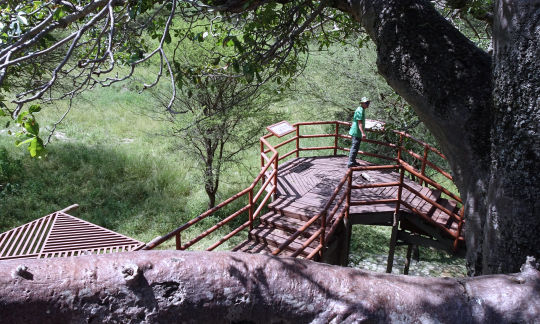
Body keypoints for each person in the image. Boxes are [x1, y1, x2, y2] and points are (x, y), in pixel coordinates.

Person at [348, 97, 370, 167]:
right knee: (354, 147)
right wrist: (363, 133)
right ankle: (351, 163)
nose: (368, 104)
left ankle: (353, 161)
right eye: (366, 103)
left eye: (368, 103)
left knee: (356, 147)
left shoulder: (362, 109)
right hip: (356, 132)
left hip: (357, 132)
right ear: (362, 103)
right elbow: (359, 123)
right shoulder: (359, 110)